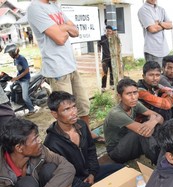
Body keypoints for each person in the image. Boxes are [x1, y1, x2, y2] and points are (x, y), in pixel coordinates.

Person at [44, 91, 124, 187]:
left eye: (74, 107)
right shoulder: (51, 143)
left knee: (121, 170)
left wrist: (92, 173)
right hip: (71, 183)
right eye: (66, 109)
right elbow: (60, 175)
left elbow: (91, 150)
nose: (74, 112)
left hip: (90, 173)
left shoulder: (81, 125)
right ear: (54, 114)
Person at [27, 0, 91, 130]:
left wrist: (62, 27)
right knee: (66, 112)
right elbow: (60, 39)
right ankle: (72, 140)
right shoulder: (35, 8)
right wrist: (65, 26)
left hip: (71, 66)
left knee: (83, 105)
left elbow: (76, 31)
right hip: (57, 70)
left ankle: (87, 134)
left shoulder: (55, 6)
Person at [0, 118, 75, 187]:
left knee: (50, 169)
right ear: (19, 148)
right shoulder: (2, 176)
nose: (40, 141)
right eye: (35, 139)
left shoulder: (39, 149)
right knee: (26, 184)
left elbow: (68, 167)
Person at [104, 78, 164, 164]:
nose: (133, 97)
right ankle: (160, 162)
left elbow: (160, 117)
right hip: (117, 151)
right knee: (141, 132)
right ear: (120, 96)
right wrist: (152, 121)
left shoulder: (135, 104)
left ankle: (163, 151)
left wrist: (152, 122)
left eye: (135, 93)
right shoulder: (116, 114)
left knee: (154, 123)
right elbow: (146, 132)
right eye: (128, 94)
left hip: (132, 144)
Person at [4, 44, 37, 115]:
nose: (9, 55)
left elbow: (27, 70)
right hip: (20, 78)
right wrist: (14, 78)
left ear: (14, 52)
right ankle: (14, 103)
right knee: (11, 87)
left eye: (10, 53)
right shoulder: (15, 59)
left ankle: (31, 109)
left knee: (25, 97)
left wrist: (17, 78)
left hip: (25, 80)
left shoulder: (22, 58)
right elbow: (19, 70)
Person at [138, 0, 173, 66]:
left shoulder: (161, 9)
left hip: (164, 49)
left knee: (164, 75)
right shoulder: (143, 10)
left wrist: (159, 23)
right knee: (155, 75)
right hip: (153, 51)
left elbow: (170, 25)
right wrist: (164, 25)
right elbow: (152, 29)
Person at [98, 25, 114, 92]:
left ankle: (112, 85)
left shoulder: (114, 38)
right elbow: (98, 45)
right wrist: (99, 52)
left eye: (110, 31)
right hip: (105, 59)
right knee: (104, 73)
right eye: (107, 31)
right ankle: (103, 87)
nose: (108, 32)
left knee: (112, 72)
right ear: (105, 31)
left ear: (112, 31)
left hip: (112, 58)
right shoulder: (102, 38)